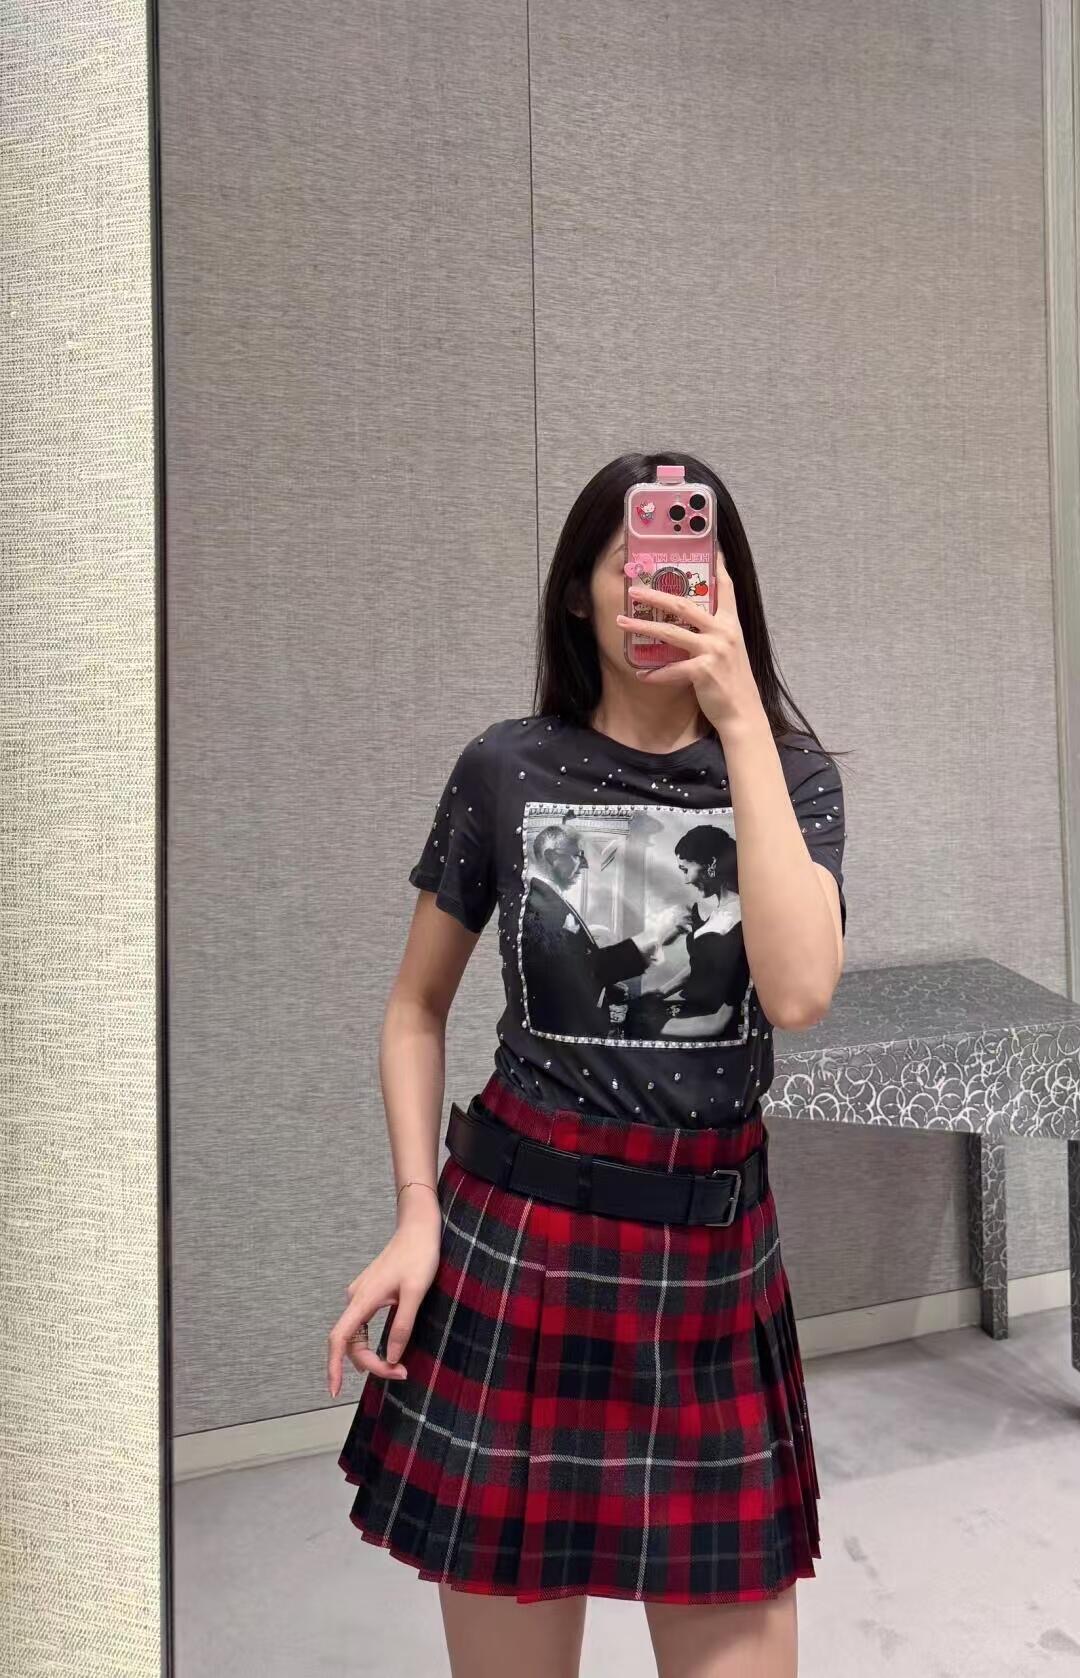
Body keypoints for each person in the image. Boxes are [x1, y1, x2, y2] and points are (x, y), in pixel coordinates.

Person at [327, 451, 849, 1678]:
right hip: (521, 1247)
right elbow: (414, 1008)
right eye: (634, 565)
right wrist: (414, 1211)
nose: (661, 590)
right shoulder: (505, 769)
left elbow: (799, 992)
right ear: (580, 591)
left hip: (711, 1267)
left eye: (690, 566)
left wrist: (740, 723)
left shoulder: (791, 777)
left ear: (728, 590)